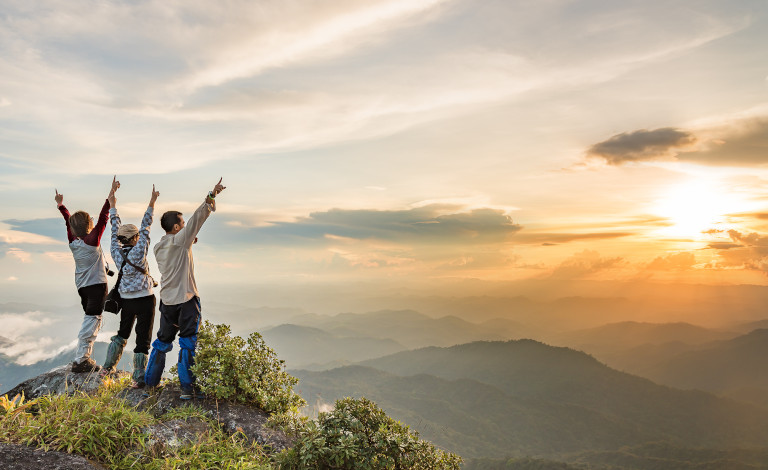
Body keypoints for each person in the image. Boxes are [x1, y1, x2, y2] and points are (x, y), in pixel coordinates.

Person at [144, 178, 226, 399]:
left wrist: (190, 241)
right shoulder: (181, 241)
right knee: (188, 343)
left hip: (167, 301)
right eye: (182, 222)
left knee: (162, 342)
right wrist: (211, 196)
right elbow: (197, 220)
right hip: (187, 299)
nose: (184, 224)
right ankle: (187, 389)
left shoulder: (159, 247)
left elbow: (181, 242)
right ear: (177, 227)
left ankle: (150, 383)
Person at [99, 181, 160, 388]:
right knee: (143, 338)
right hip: (145, 299)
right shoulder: (139, 250)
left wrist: (113, 203)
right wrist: (152, 201)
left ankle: (108, 367)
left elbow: (114, 226)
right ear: (135, 238)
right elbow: (146, 225)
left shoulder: (116, 252)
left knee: (123, 332)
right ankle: (138, 378)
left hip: (126, 300)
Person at [55, 177, 119, 373]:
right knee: (93, 320)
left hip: (82, 287)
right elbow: (103, 218)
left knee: (91, 317)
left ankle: (83, 357)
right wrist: (111, 196)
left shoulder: (73, 241)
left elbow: (68, 222)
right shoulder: (92, 242)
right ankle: (81, 359)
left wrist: (61, 205)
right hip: (97, 286)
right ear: (89, 225)